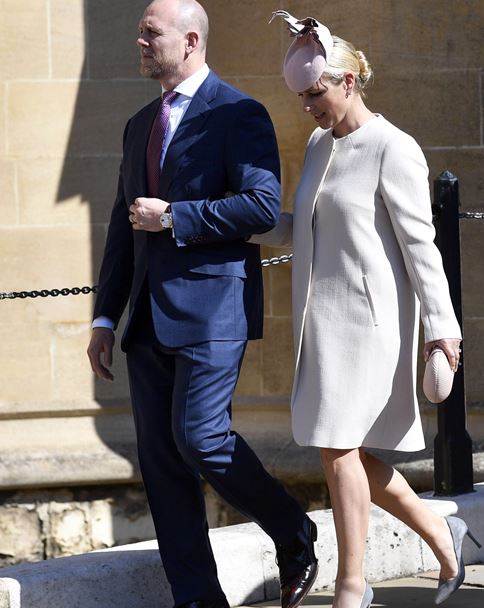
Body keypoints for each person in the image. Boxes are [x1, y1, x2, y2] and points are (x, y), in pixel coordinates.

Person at [85, 1, 318, 607]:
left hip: (215, 310)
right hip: (145, 322)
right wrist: (106, 317)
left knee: (201, 438)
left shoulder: (237, 113)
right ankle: (196, 599)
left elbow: (262, 207)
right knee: (162, 466)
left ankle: (295, 532)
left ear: (190, 41)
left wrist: (174, 218)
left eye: (150, 33)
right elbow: (121, 228)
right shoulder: (140, 124)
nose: (139, 42)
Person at [255, 12, 475, 608]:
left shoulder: (393, 146)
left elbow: (422, 248)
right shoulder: (320, 143)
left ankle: (352, 585)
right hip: (322, 324)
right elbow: (305, 228)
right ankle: (439, 530)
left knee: (338, 449)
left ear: (348, 81)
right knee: (343, 451)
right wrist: (237, 223)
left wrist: (442, 332)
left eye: (316, 93)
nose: (308, 106)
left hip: (372, 323)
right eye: (301, 96)